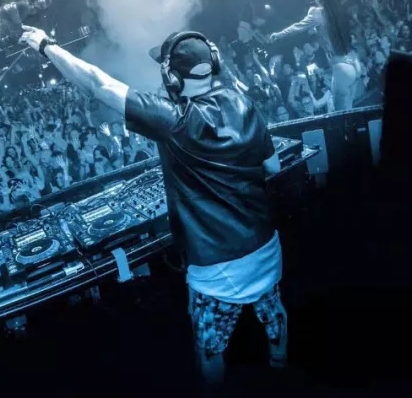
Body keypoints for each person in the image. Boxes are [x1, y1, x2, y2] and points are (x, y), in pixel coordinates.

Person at [19, 25, 287, 392]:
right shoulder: (243, 103)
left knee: (210, 350)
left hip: (218, 267)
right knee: (272, 312)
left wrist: (47, 45)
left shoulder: (174, 119)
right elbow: (272, 166)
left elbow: (98, 84)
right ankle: (281, 367)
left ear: (172, 77)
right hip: (266, 247)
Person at [268, 0, 361, 111]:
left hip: (341, 67)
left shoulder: (317, 13)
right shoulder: (338, 10)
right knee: (351, 110)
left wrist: (278, 34)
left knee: (343, 114)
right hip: (354, 62)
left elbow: (297, 27)